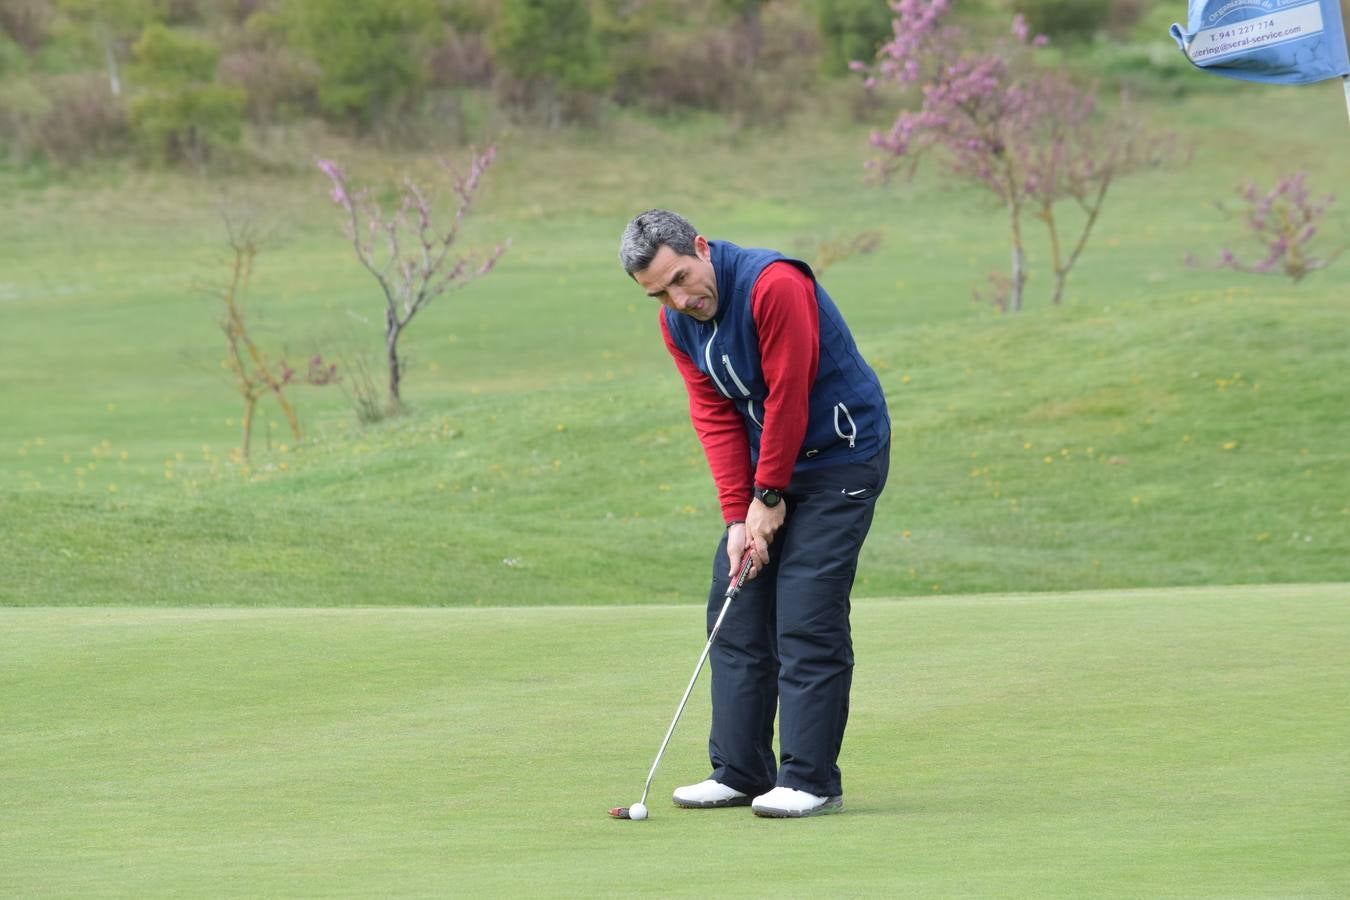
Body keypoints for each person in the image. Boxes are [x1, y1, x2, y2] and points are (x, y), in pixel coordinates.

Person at [617, 209, 890, 818]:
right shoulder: (676, 324)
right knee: (735, 608)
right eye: (659, 292)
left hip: (840, 457)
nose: (680, 298)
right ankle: (740, 771)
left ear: (702, 247)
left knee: (806, 614)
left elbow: (790, 392)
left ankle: (810, 780)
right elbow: (715, 417)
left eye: (682, 277)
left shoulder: (775, 285)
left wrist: (769, 496)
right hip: (771, 467)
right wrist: (740, 516)